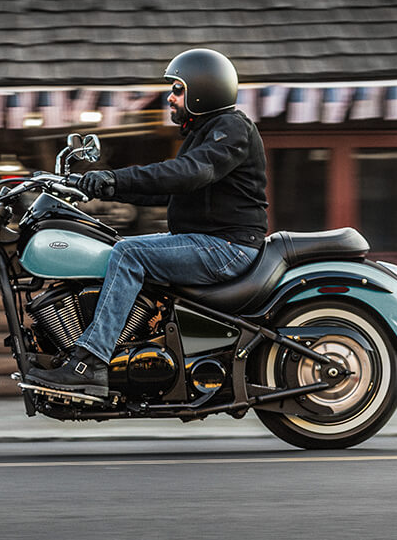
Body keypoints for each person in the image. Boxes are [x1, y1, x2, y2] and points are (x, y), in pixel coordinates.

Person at [25, 48, 268, 400]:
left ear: (204, 90)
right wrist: (96, 189)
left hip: (227, 247)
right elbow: (169, 192)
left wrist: (114, 178)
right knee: (118, 245)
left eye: (178, 89)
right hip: (208, 240)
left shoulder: (230, 128)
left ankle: (89, 364)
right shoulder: (204, 133)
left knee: (128, 254)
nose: (170, 97)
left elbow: (188, 174)